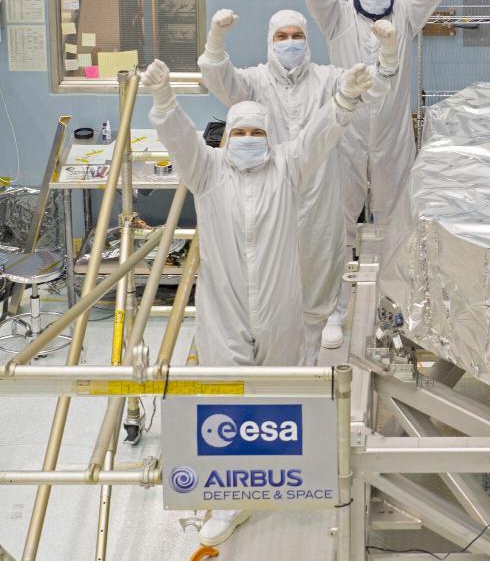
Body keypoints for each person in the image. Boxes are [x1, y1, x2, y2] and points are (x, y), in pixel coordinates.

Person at [141, 58, 376, 545]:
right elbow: (180, 140)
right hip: (223, 309)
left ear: (269, 138)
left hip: (279, 305)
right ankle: (231, 500)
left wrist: (344, 99)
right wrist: (164, 100)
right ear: (226, 137)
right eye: (240, 132)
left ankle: (281, 478)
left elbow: (318, 137)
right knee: (226, 397)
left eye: (257, 132)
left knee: (278, 391)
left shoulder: (286, 167)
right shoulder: (208, 171)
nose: (248, 139)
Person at [284, 0, 469, 344]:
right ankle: (334, 312)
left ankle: (395, 312)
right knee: (338, 229)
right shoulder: (337, 17)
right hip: (344, 138)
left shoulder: (404, 15)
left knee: (395, 229)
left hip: (392, 141)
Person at [198, 9, 398, 351]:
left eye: (296, 36)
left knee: (322, 255)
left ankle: (328, 318)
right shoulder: (255, 82)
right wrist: (216, 39)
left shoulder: (327, 78)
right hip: (271, 191)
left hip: (320, 188)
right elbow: (219, 79)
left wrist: (388, 54)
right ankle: (272, 336)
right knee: (271, 266)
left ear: (307, 41)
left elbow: (372, 88)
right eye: (282, 37)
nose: (289, 43)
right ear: (270, 41)